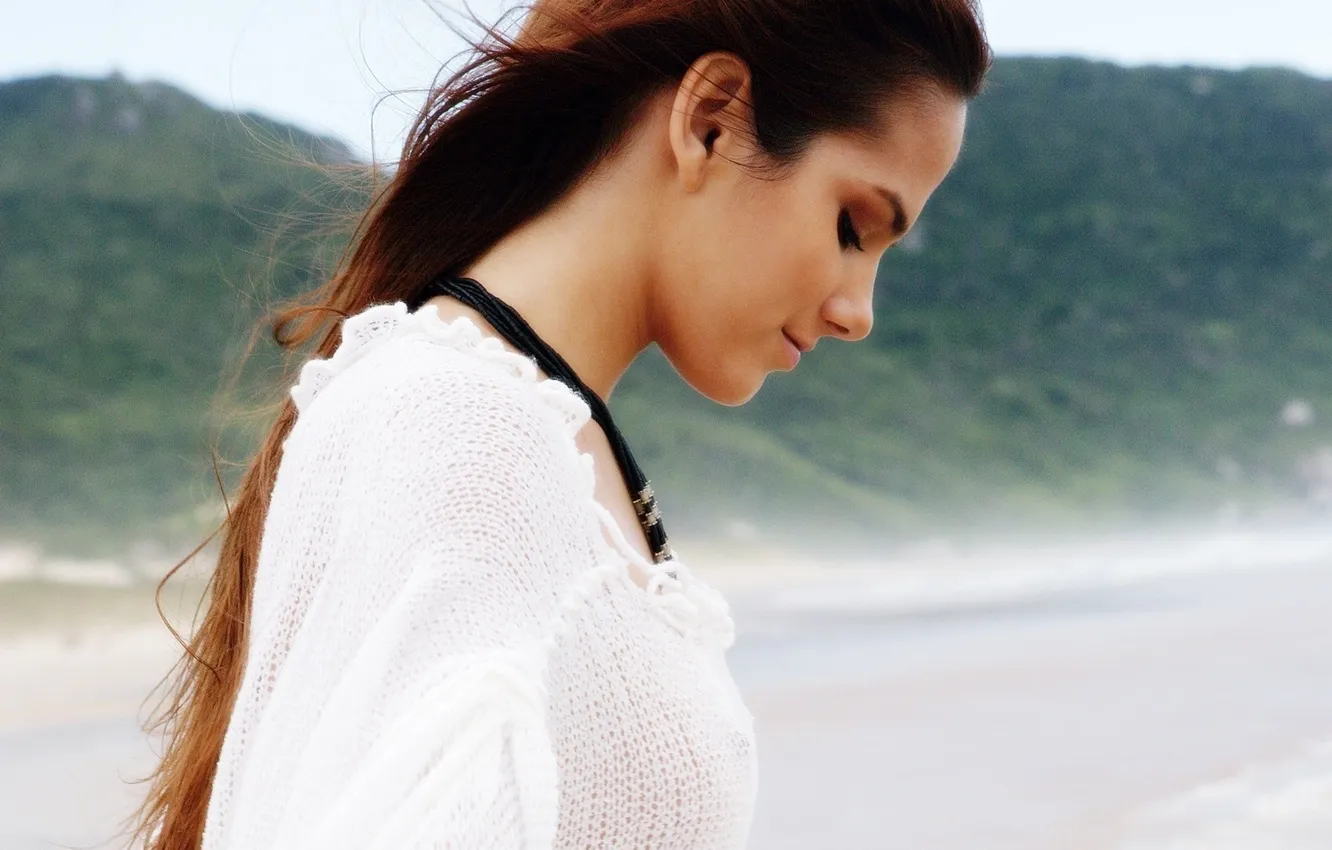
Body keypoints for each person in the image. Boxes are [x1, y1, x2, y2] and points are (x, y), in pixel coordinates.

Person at [128, 0, 990, 847]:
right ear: (713, 121)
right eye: (852, 226)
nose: (859, 313)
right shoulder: (462, 433)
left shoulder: (534, 434)